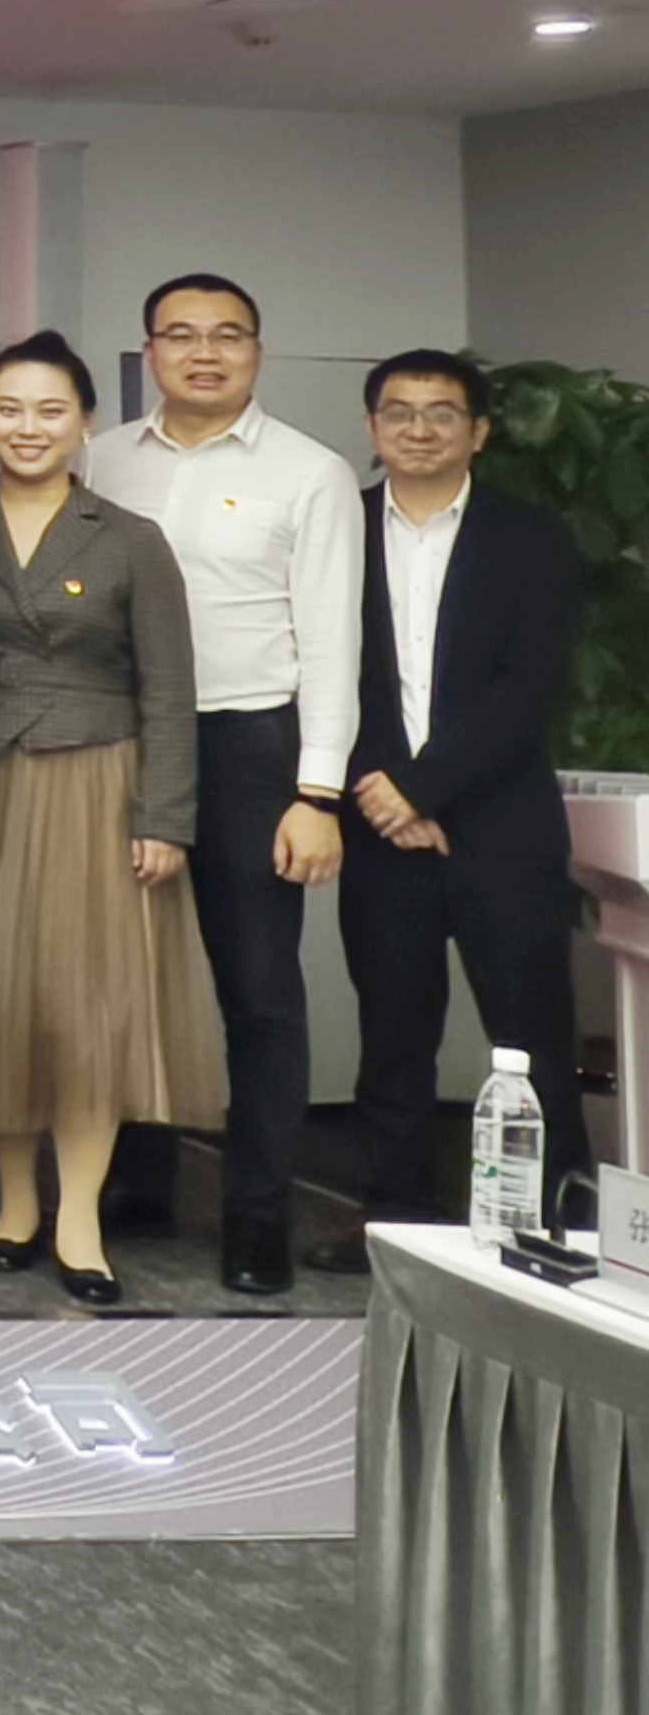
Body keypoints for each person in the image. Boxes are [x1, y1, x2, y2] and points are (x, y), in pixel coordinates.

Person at [0, 334, 215, 1307]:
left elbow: (169, 689)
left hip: (96, 784)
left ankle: (78, 1214)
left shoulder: (128, 538)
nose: (28, 428)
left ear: (85, 423)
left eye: (50, 411)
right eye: (9, 409)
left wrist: (164, 816)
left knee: (84, 1010)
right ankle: (15, 1204)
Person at [79, 274, 359, 1296]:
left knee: (259, 993)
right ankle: (133, 1186)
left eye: (228, 335)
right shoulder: (100, 459)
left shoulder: (311, 473)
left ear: (257, 351)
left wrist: (316, 794)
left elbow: (332, 641)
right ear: (149, 350)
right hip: (119, 742)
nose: (206, 353)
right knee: (124, 980)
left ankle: (256, 1216)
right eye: (183, 335)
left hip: (249, 748)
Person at [311, 351, 590, 1272]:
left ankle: (553, 1225)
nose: (419, 429)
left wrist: (424, 789)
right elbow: (320, 673)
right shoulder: (338, 530)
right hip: (378, 823)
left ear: (478, 432)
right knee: (393, 1037)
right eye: (399, 411)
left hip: (503, 825)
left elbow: (529, 686)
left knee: (531, 1033)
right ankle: (393, 1221)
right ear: (371, 427)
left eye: (442, 413)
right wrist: (381, 790)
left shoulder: (531, 537)